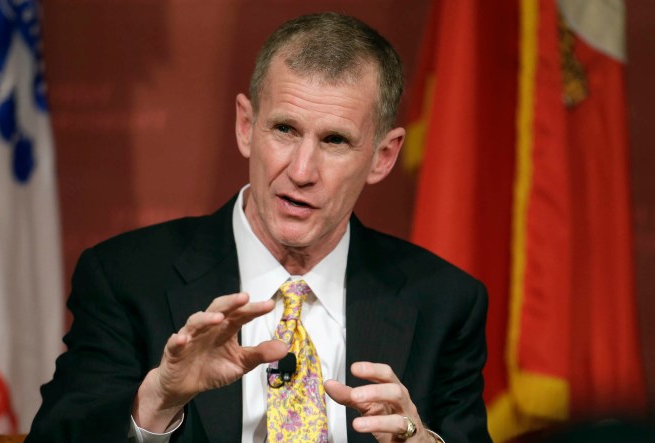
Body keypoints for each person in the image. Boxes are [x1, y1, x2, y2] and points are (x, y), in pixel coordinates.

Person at [27, 12, 491, 443]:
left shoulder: (444, 302)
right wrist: (157, 400)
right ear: (246, 126)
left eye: (334, 140)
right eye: (285, 130)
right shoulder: (127, 278)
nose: (302, 170)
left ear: (382, 157)